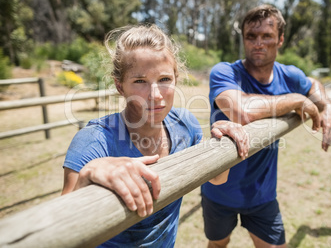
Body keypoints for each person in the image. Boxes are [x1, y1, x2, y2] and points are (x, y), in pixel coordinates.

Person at [61, 24, 249, 247]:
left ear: (176, 79)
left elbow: (217, 178)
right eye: (140, 81)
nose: (155, 95)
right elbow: (63, 230)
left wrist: (223, 142)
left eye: (164, 79)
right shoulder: (94, 140)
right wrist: (88, 176)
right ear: (120, 86)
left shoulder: (185, 125)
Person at [201, 4, 331, 248]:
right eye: (251, 36)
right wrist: (296, 100)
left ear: (280, 39)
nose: (258, 43)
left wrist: (327, 105)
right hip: (219, 191)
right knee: (218, 244)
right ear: (243, 39)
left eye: (267, 36)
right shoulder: (224, 72)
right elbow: (241, 111)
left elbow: (313, 84)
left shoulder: (289, 76)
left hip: (262, 195)